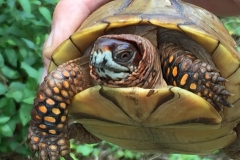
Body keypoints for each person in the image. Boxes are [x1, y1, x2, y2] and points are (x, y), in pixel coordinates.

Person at [41, 0, 240, 81]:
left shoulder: (172, 56)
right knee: (60, 81)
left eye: (123, 56)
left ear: (143, 57)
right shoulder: (86, 73)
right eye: (95, 54)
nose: (102, 60)